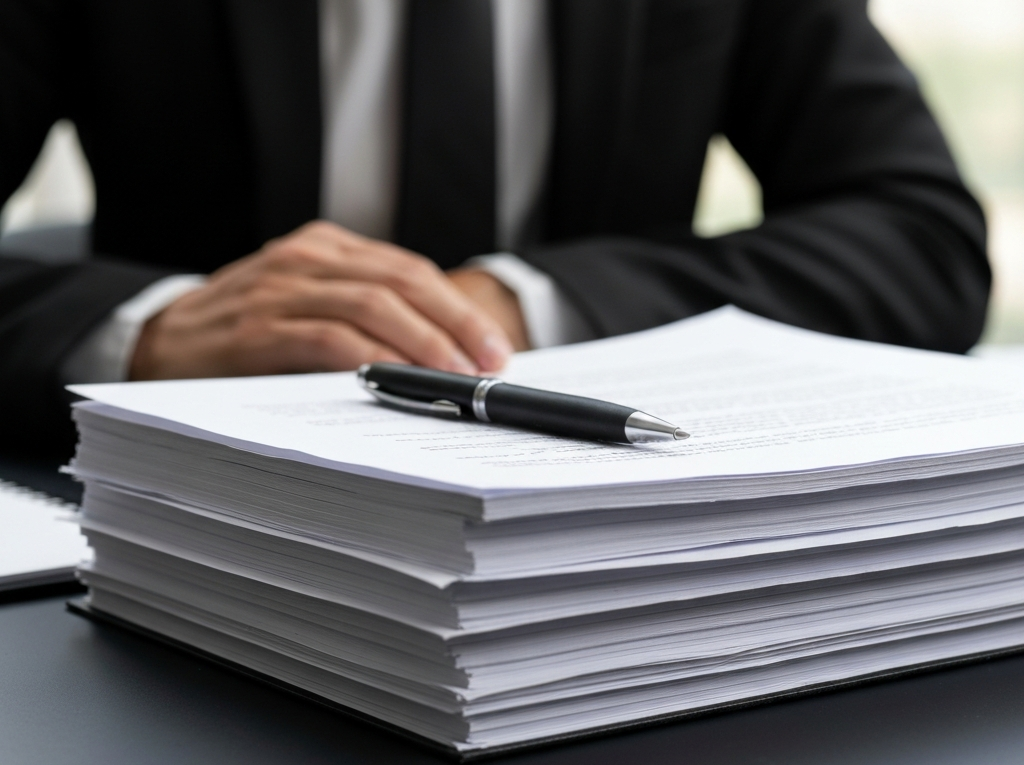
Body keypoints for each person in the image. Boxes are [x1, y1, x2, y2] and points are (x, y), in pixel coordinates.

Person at [0, 0, 990, 461]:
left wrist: (527, 301)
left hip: (592, 544)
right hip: (174, 541)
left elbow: (918, 234)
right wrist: (146, 331)